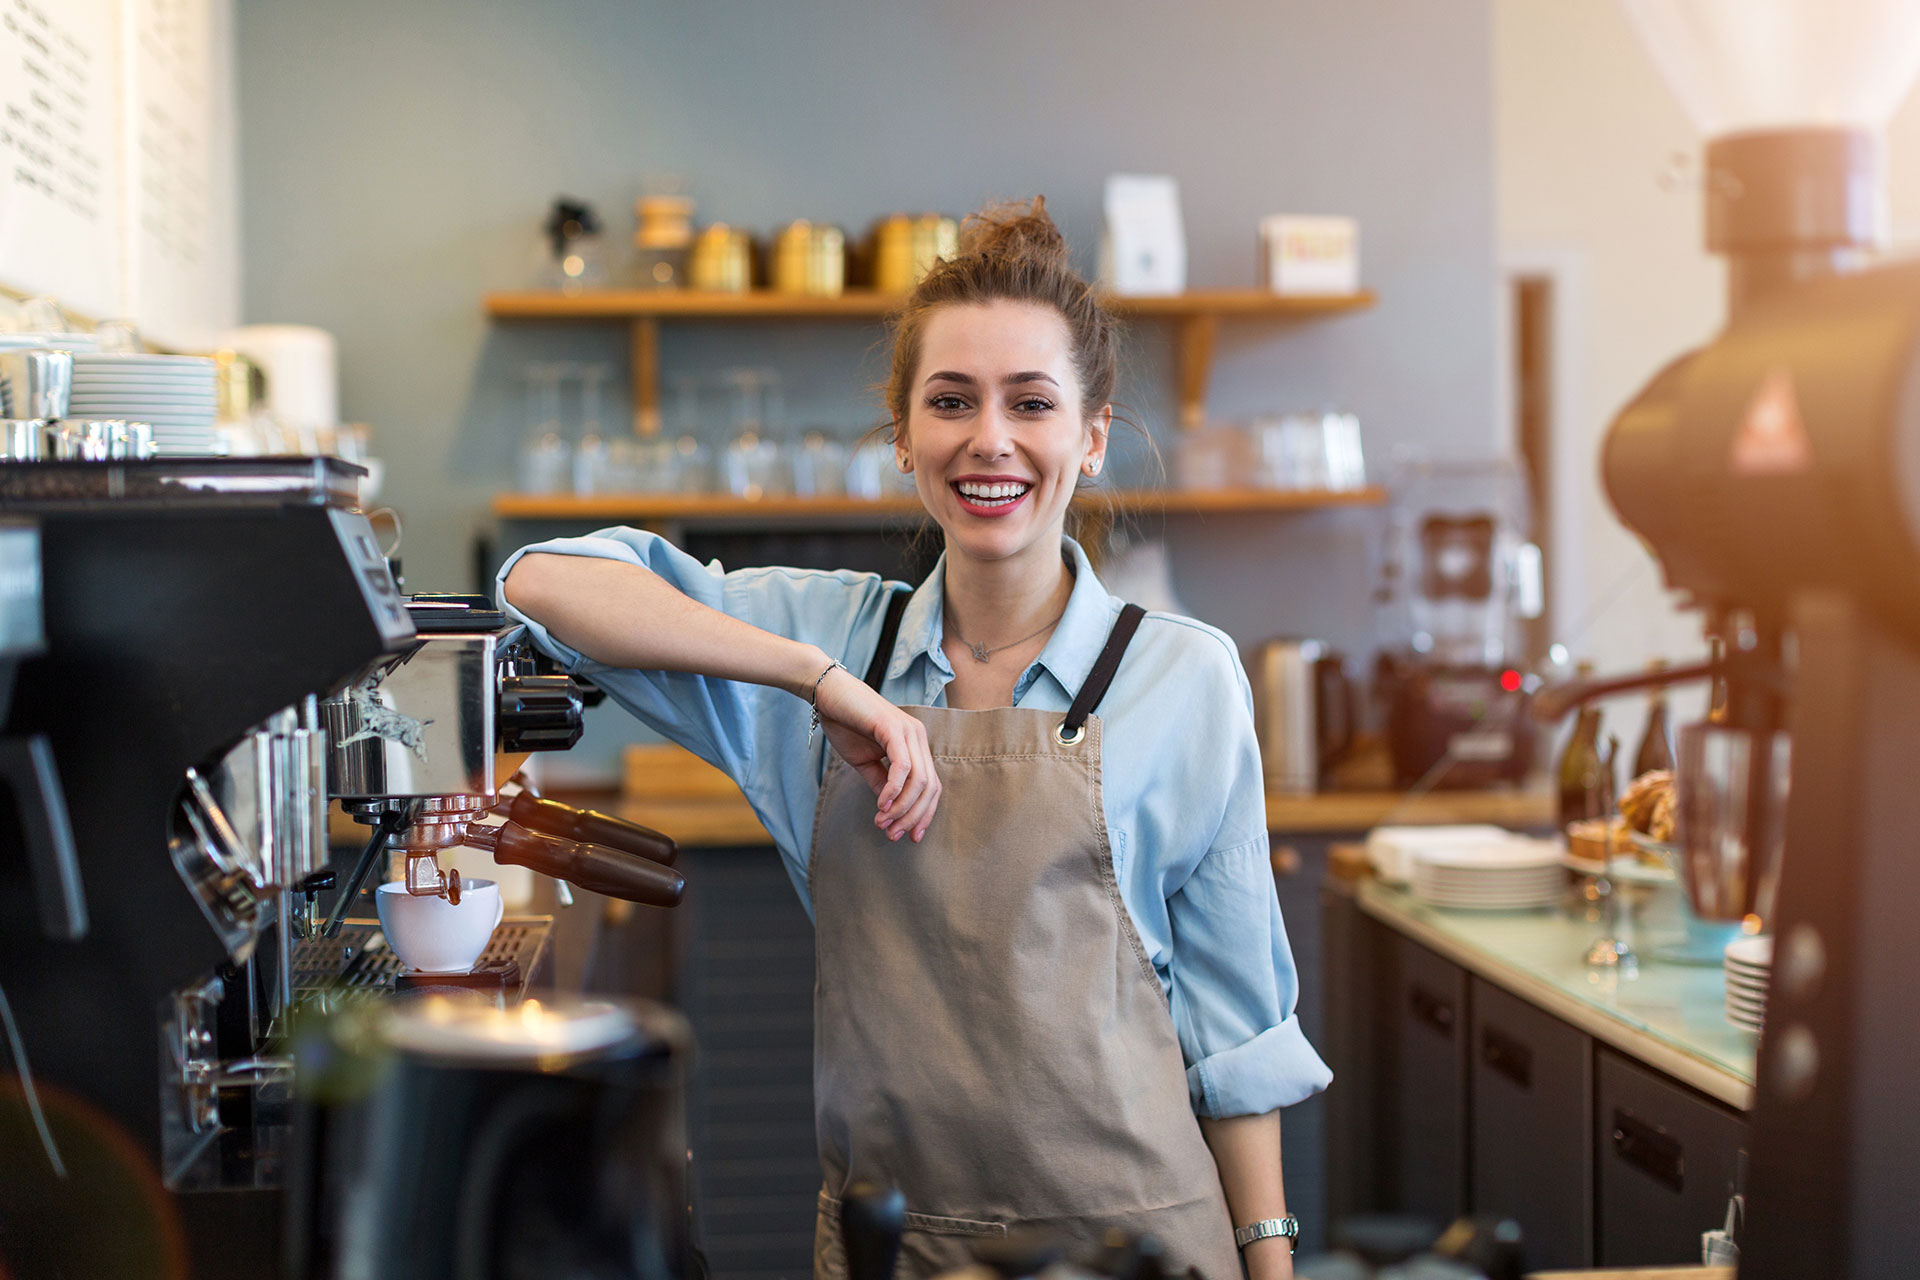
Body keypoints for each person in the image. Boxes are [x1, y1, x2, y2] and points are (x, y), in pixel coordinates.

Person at [500, 198, 1330, 1280]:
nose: (990, 438)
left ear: (1091, 435)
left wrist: (1269, 1260)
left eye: (1031, 402)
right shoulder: (830, 639)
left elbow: (1235, 1033)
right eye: (951, 401)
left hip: (1144, 1249)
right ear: (902, 436)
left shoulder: (1187, 673)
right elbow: (539, 586)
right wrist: (819, 678)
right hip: (898, 1251)